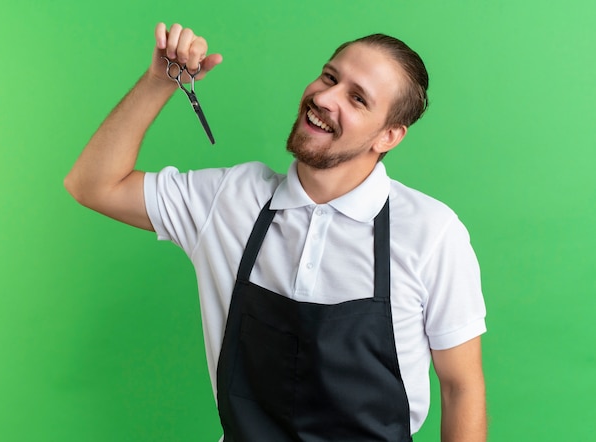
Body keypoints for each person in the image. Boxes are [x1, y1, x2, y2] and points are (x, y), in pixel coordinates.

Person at [65, 22, 487, 442]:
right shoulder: (228, 200)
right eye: (329, 77)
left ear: (389, 136)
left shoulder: (432, 233)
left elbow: (461, 388)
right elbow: (92, 185)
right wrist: (158, 81)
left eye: (357, 99)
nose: (324, 98)